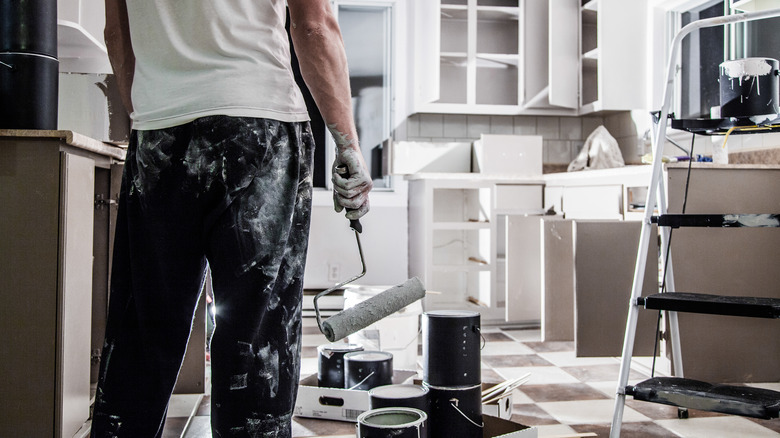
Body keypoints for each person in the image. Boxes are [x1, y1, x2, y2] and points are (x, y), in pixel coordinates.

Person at [92, 0, 373, 437]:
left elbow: (117, 33)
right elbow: (314, 26)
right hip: (259, 125)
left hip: (159, 133)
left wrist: (151, 117)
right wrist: (348, 143)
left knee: (142, 334)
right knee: (256, 338)